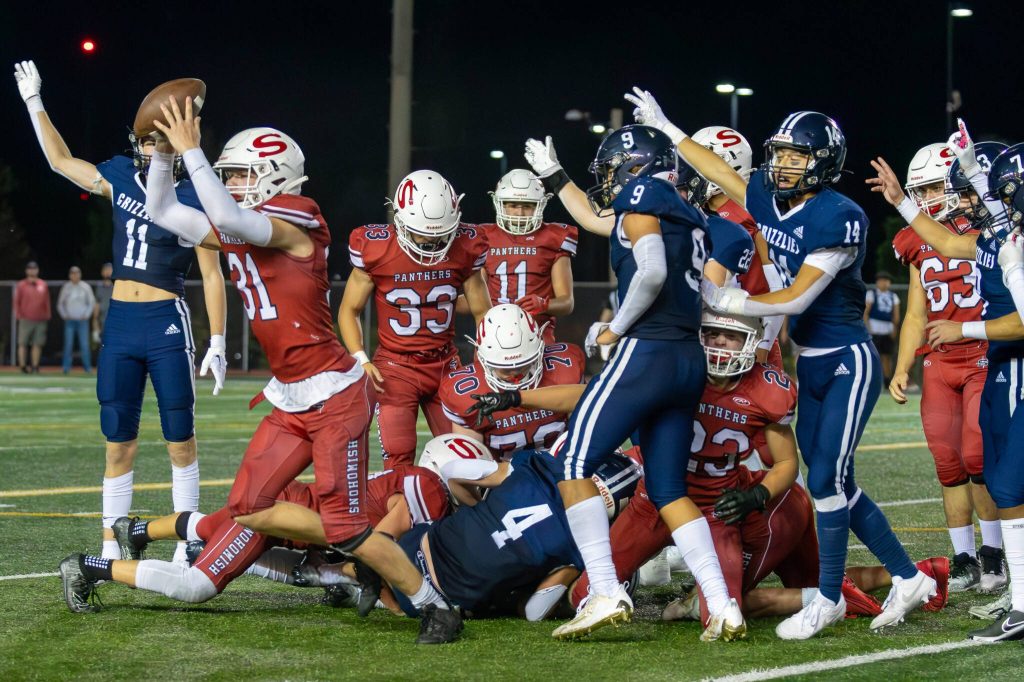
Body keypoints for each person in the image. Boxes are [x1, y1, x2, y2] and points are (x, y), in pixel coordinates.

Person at [118, 95, 461, 643]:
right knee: (250, 508)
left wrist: (194, 151)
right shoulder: (244, 221)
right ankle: (346, 555)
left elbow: (229, 215)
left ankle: (432, 603)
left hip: (335, 398)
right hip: (292, 396)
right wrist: (163, 156)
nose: (228, 184)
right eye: (225, 175)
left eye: (240, 174)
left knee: (345, 524)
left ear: (274, 176)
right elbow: (161, 210)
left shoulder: (301, 218)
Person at [625, 87, 936, 639]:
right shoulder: (772, 195)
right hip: (809, 360)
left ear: (824, 162)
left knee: (828, 485)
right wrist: (670, 129)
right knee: (833, 478)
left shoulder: (840, 215)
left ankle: (830, 599)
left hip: (846, 359)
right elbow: (721, 172)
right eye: (782, 152)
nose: (785, 163)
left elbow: (796, 298)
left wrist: (728, 301)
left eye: (798, 155)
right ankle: (908, 577)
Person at [523, 123, 744, 642]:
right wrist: (555, 177)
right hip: (688, 357)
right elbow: (599, 218)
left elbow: (649, 272)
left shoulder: (643, 198)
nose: (607, 182)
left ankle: (604, 589)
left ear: (633, 168)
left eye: (611, 171)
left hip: (648, 349)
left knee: (572, 460)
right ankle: (722, 602)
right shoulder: (681, 211)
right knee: (668, 488)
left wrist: (615, 328)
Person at [14, 60, 227, 563]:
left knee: (180, 438)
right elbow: (61, 162)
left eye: (164, 141)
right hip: (122, 325)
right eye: (150, 141)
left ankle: (186, 541)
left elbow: (213, 274)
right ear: (140, 144)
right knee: (118, 442)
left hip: (167, 322)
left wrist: (217, 340)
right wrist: (34, 102)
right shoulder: (120, 178)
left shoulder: (197, 192)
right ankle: (110, 543)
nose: (156, 150)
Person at [866, 120, 1024, 641]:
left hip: (994, 355)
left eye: (954, 189)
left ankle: (1005, 568)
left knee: (994, 468)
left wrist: (966, 327)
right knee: (971, 467)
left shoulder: (1004, 237)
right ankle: (991, 575)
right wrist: (899, 202)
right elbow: (941, 253)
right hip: (966, 359)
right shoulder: (982, 236)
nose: (952, 200)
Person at [59, 463, 449, 613]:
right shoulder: (428, 491)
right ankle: (86, 568)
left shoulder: (412, 483)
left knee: (206, 528)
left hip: (286, 511)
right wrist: (416, 605)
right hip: (275, 518)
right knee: (195, 586)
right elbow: (377, 552)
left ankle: (137, 530)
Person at [890, 141, 1005, 594]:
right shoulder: (914, 238)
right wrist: (902, 367)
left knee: (977, 456)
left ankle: (994, 552)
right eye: (920, 189)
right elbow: (916, 312)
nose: (929, 197)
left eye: (936, 186)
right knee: (948, 462)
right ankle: (964, 558)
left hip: (981, 355)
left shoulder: (983, 230)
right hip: (939, 362)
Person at [340, 170, 491, 468]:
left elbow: (482, 311)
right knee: (398, 459)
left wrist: (484, 362)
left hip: (446, 364)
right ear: (399, 219)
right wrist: (360, 358)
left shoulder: (466, 245)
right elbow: (348, 310)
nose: (431, 243)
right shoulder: (377, 247)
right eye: (423, 233)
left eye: (440, 235)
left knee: (469, 456)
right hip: (396, 368)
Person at [393, 447, 640, 620]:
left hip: (407, 550)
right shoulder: (583, 546)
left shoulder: (539, 467)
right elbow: (535, 611)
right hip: (436, 603)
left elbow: (453, 470)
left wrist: (479, 514)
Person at [439, 303, 584, 458]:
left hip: (564, 468)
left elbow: (587, 432)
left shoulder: (566, 367)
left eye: (524, 365)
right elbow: (473, 466)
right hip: (502, 476)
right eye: (505, 368)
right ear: (483, 359)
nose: (515, 373)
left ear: (540, 349)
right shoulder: (466, 393)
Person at [482, 169, 577, 343]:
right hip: (493, 334)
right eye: (512, 205)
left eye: (527, 205)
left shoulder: (553, 237)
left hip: (538, 334)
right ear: (499, 204)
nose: (519, 213)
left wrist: (544, 304)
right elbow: (475, 297)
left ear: (540, 205)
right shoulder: (483, 237)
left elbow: (567, 303)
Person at [57, 266, 96, 373]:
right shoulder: (66, 287)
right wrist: (65, 315)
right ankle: (66, 368)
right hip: (70, 321)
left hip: (82, 321)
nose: (75, 275)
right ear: (70, 275)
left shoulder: (85, 287)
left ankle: (87, 368)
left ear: (80, 274)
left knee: (84, 345)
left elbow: (91, 303)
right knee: (68, 345)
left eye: (77, 273)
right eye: (73, 273)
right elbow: (60, 304)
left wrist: (86, 315)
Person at [14, 260, 50, 373]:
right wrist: (18, 315)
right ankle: (23, 366)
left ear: (37, 270)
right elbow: (16, 301)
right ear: (26, 270)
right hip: (25, 319)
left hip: (40, 319)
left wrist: (47, 314)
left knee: (37, 344)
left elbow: (46, 301)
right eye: (30, 268)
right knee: (22, 343)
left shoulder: (43, 284)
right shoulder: (21, 285)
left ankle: (35, 366)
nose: (32, 270)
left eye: (34, 268)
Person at [864, 271, 900, 383]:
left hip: (887, 330)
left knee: (887, 356)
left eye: (886, 281)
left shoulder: (893, 296)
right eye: (881, 280)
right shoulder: (871, 294)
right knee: (872, 356)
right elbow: (866, 313)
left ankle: (886, 380)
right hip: (874, 330)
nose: (884, 283)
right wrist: (868, 329)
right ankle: (871, 379)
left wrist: (894, 329)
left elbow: (896, 315)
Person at [92, 263, 114, 346]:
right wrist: (95, 329)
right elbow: (96, 309)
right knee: (102, 349)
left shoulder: (117, 287)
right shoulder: (99, 287)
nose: (108, 272)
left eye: (110, 269)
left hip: (115, 325)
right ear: (102, 272)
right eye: (106, 269)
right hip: (102, 325)